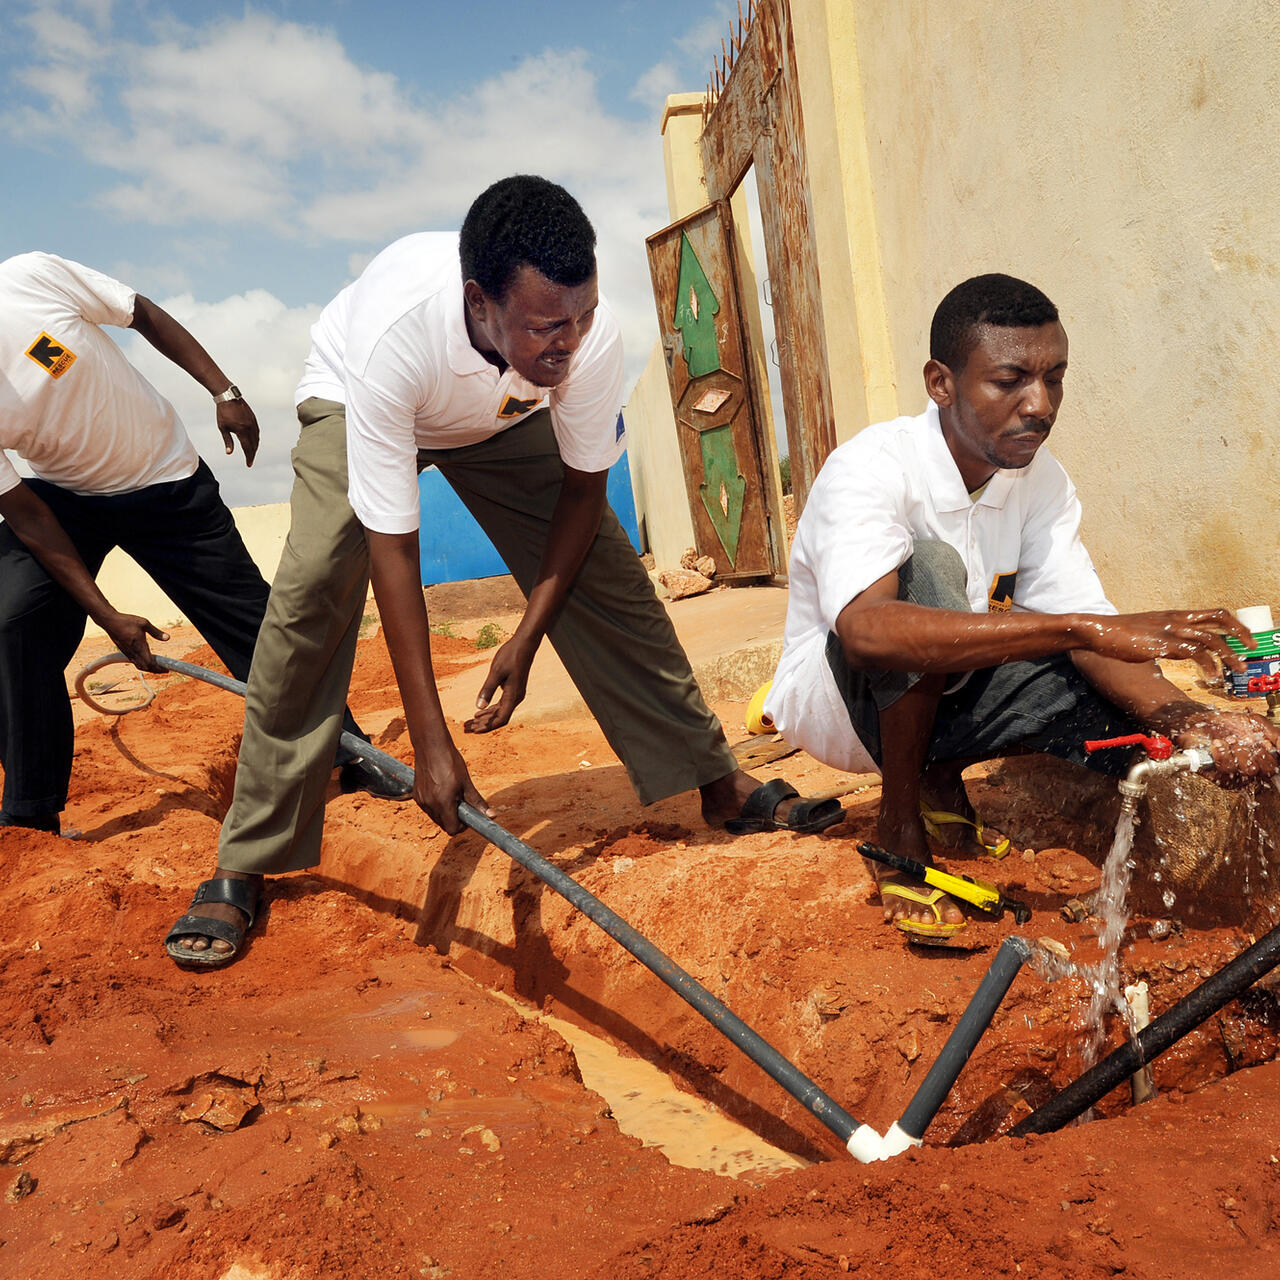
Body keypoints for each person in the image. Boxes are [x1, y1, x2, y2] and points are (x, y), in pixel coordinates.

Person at [165, 174, 842, 968]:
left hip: (494, 419)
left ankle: (714, 777)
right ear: (481, 302)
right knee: (310, 591)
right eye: (549, 324)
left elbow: (585, 497)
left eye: (584, 315)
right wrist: (431, 743)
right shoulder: (397, 339)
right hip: (361, 400)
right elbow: (394, 546)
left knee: (610, 577)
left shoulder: (580, 341)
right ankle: (246, 854)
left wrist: (528, 634)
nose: (572, 339)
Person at [765, 273, 1279, 942]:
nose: (1039, 404)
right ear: (941, 383)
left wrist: (1194, 720)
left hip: (947, 694)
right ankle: (900, 831)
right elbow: (868, 635)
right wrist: (1075, 627)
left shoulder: (1042, 480)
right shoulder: (871, 467)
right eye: (1010, 381)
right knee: (932, 575)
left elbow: (1088, 630)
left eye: (1055, 378)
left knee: (1104, 692)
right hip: (838, 706)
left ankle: (943, 782)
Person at [0, 252, 408, 837]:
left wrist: (224, 390)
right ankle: (30, 807)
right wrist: (108, 615)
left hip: (164, 479)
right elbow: (27, 516)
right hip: (60, 501)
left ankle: (350, 750)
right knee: (13, 620)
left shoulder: (27, 278)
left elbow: (142, 314)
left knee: (256, 624)